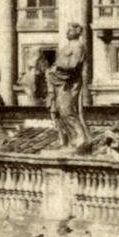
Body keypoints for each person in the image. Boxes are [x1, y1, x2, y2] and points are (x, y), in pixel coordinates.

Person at [48, 21, 90, 152]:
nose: (67, 32)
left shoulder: (78, 46)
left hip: (69, 83)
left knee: (67, 111)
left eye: (70, 30)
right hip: (60, 82)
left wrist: (57, 67)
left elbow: (74, 64)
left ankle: (80, 141)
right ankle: (71, 142)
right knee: (60, 112)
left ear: (77, 32)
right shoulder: (67, 46)